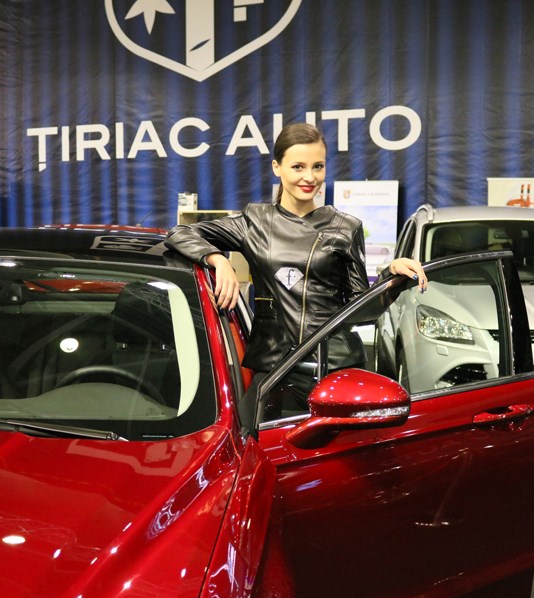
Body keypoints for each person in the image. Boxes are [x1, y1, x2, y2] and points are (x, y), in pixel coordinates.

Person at [165, 122, 427, 394]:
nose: (309, 177)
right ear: (276, 167)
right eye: (298, 167)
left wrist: (390, 276)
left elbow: (360, 310)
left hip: (333, 369)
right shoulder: (256, 221)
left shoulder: (345, 227)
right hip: (274, 370)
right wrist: (217, 259)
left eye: (318, 166)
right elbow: (179, 233)